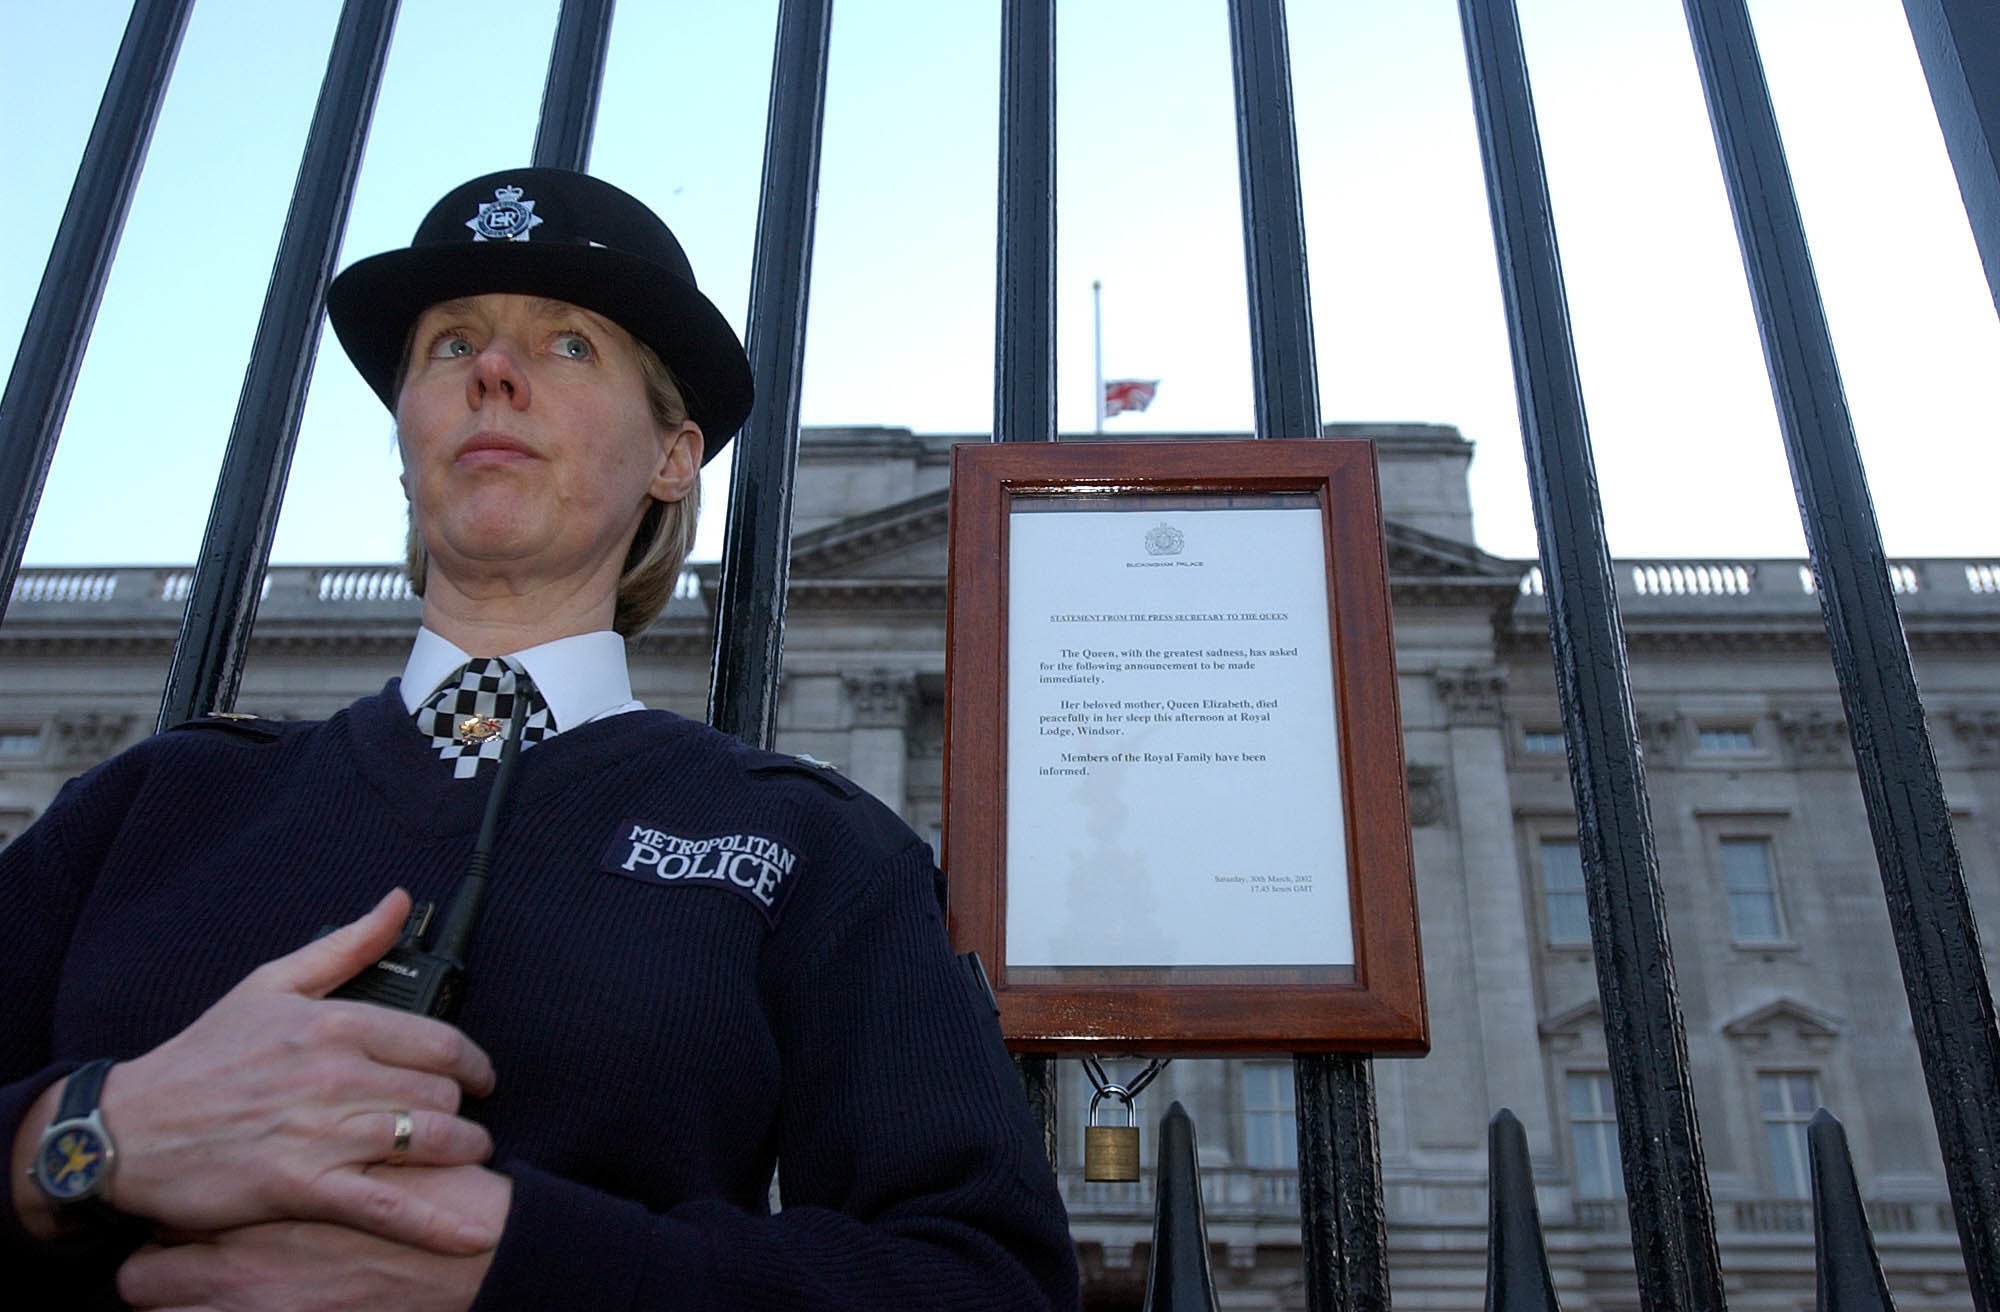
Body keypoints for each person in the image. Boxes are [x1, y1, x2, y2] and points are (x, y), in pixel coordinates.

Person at [0, 168, 1080, 1311]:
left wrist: (523, 1260)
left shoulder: (812, 847)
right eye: (449, 345)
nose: (493, 372)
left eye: (568, 347)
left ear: (673, 456)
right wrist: (79, 1135)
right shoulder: (154, 801)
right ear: (406, 434)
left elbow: (986, 1278)